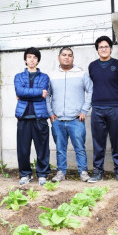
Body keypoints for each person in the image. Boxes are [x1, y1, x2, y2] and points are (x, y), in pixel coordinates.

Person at [46, 47, 93, 182]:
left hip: (75, 120)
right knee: (60, 148)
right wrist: (50, 113)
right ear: (59, 57)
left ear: (73, 58)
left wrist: (84, 110)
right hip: (58, 120)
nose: (67, 57)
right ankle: (60, 173)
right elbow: (47, 94)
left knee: (79, 147)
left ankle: (83, 172)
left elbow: (90, 90)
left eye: (70, 55)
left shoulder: (81, 73)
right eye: (64, 55)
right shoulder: (52, 75)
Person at [87, 36, 118, 183]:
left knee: (117, 141)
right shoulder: (92, 66)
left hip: (115, 108)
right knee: (98, 142)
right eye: (100, 47)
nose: (104, 49)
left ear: (111, 48)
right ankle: (97, 172)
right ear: (97, 50)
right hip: (97, 108)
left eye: (106, 46)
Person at [14, 47, 51, 186]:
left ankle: (42, 174)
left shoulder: (44, 77)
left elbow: (39, 94)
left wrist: (24, 95)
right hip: (23, 117)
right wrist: (37, 93)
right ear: (25, 59)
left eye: (35, 57)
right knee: (23, 149)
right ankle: (25, 174)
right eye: (29, 57)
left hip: (39, 117)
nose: (32, 59)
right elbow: (19, 91)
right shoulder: (18, 76)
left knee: (42, 148)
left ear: (38, 60)